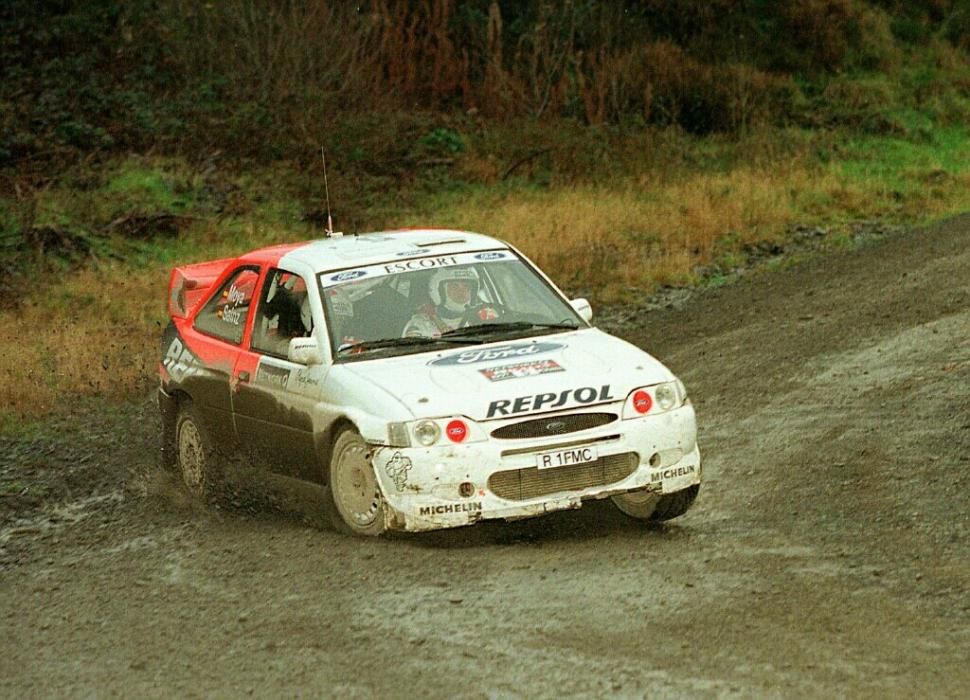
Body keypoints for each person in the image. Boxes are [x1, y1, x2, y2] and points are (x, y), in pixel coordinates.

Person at [402, 267, 496, 337]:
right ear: (438, 290)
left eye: (467, 286)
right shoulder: (420, 325)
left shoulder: (486, 317)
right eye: (454, 286)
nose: (462, 291)